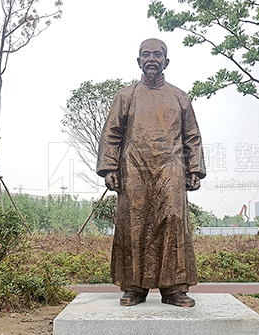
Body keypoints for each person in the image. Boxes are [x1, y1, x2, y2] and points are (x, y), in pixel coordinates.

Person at [96, 38, 206, 308]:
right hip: (134, 167)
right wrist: (110, 167)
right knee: (134, 223)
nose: (152, 59)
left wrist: (194, 168)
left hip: (171, 168)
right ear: (138, 61)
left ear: (166, 61)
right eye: (146, 55)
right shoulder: (126, 96)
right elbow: (112, 132)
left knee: (172, 221)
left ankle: (175, 288)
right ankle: (133, 287)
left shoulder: (180, 97)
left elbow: (192, 136)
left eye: (158, 55)